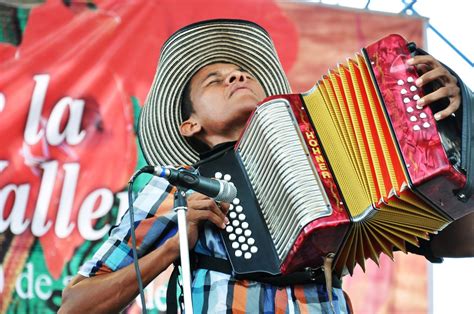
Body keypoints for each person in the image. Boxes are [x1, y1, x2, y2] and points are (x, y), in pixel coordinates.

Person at [59, 19, 473, 313]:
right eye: (215, 80)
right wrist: (172, 247)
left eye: (241, 73)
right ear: (191, 124)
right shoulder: (178, 190)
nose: (236, 77)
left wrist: (464, 121)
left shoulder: (338, 165)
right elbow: (76, 307)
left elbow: (461, 243)